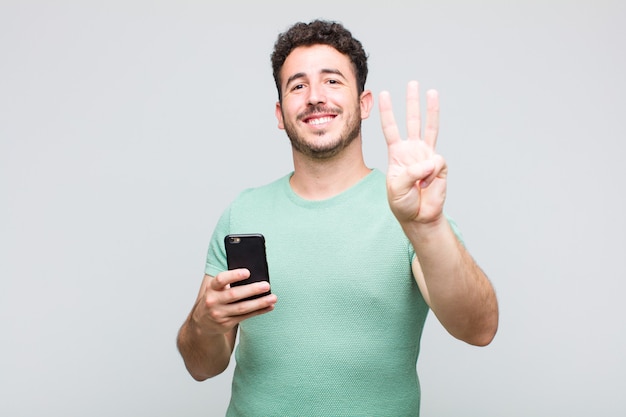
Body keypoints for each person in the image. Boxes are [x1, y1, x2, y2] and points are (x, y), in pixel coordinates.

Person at [177, 19, 498, 416]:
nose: (314, 97)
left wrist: (427, 227)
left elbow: (479, 329)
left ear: (363, 104)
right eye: (298, 85)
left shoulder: (409, 209)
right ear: (280, 113)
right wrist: (204, 324)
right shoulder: (243, 212)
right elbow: (201, 366)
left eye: (332, 81)